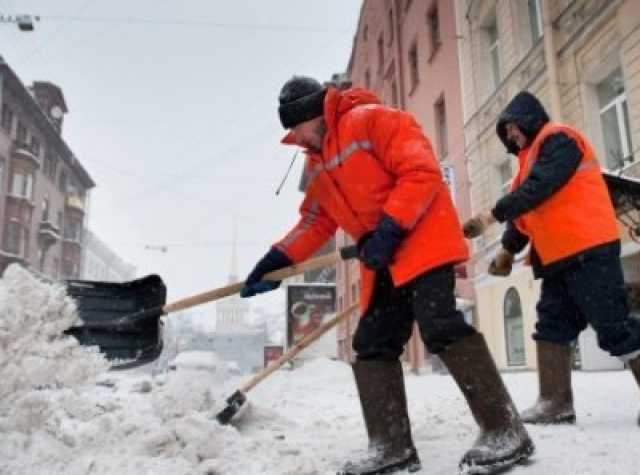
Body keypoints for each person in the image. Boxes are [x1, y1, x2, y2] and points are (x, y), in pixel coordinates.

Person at [239, 75, 534, 475]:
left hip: (423, 240)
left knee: (440, 325)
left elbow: (421, 172)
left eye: (298, 127)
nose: (298, 137)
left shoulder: (373, 120)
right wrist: (276, 260)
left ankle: (505, 430)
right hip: (384, 259)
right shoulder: (318, 160)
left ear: (315, 113)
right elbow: (315, 221)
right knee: (373, 343)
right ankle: (390, 445)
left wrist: (390, 229)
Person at [463, 90, 640, 426]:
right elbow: (524, 214)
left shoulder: (559, 139)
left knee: (613, 326)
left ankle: (556, 401)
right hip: (557, 258)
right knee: (552, 326)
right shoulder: (524, 166)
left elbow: (540, 188)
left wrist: (490, 215)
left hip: (588, 249)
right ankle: (554, 401)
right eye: (507, 132)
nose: (511, 135)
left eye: (514, 127)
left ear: (530, 118)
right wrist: (506, 250)